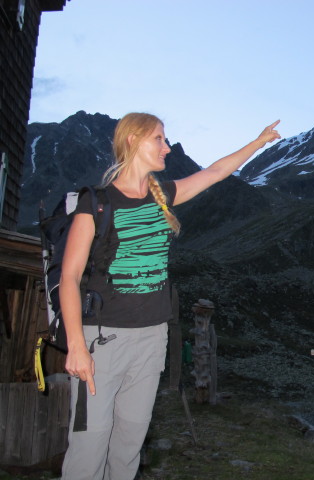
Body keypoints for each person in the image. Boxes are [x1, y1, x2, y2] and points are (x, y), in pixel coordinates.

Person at [59, 112, 280, 479]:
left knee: (129, 446)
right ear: (132, 141)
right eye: (159, 139)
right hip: (101, 342)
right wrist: (76, 346)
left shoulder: (164, 197)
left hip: (151, 340)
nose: (166, 147)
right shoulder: (96, 203)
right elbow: (69, 277)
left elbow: (214, 172)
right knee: (89, 445)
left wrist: (257, 143)